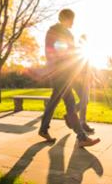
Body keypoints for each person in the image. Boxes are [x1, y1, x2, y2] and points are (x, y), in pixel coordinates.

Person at [38, 9, 100, 147]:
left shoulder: (56, 32)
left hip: (60, 73)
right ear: (66, 18)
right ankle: (81, 137)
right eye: (72, 19)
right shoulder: (59, 32)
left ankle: (43, 129)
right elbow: (62, 53)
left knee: (54, 102)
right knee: (70, 104)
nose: (73, 22)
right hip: (62, 74)